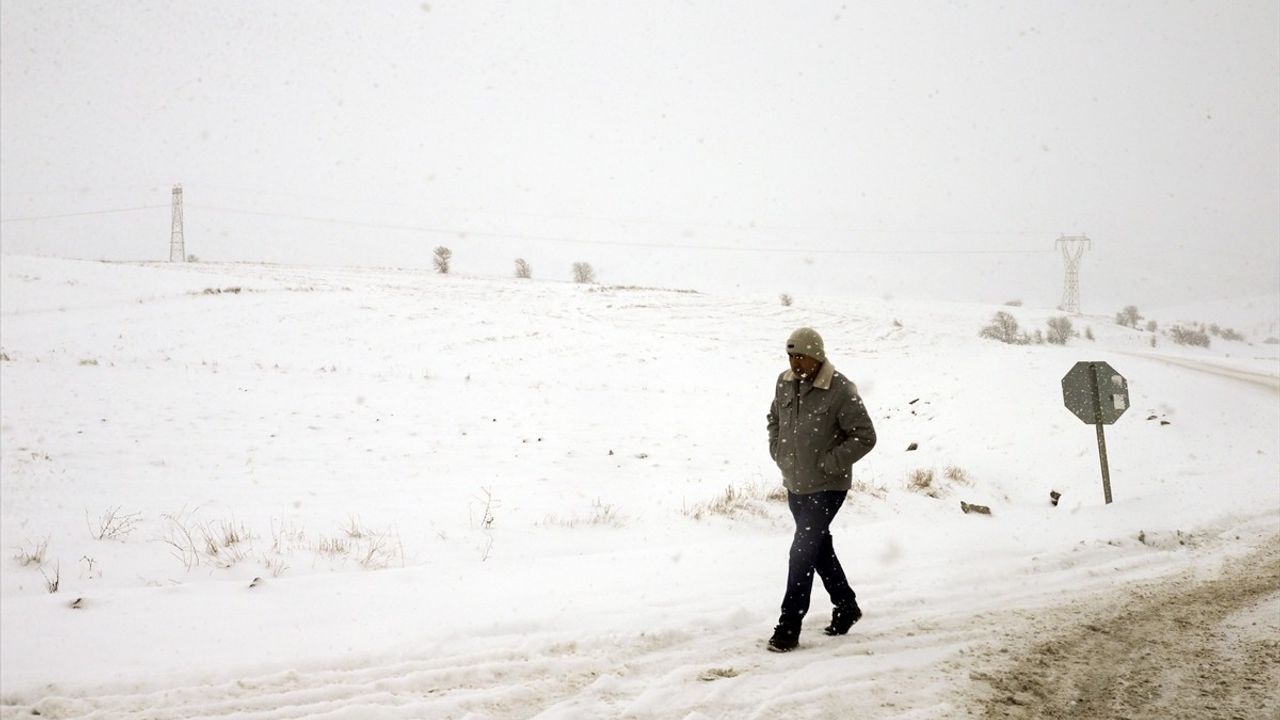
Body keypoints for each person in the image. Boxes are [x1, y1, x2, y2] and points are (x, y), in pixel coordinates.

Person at [765, 327, 877, 652]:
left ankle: (789, 626)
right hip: (796, 483)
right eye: (790, 355)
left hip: (828, 486)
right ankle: (846, 605)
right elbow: (774, 417)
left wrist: (831, 462)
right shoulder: (784, 381)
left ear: (816, 356)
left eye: (800, 356)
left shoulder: (840, 389)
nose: (794, 362)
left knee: (802, 551)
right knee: (817, 547)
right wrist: (778, 449)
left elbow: (865, 435)